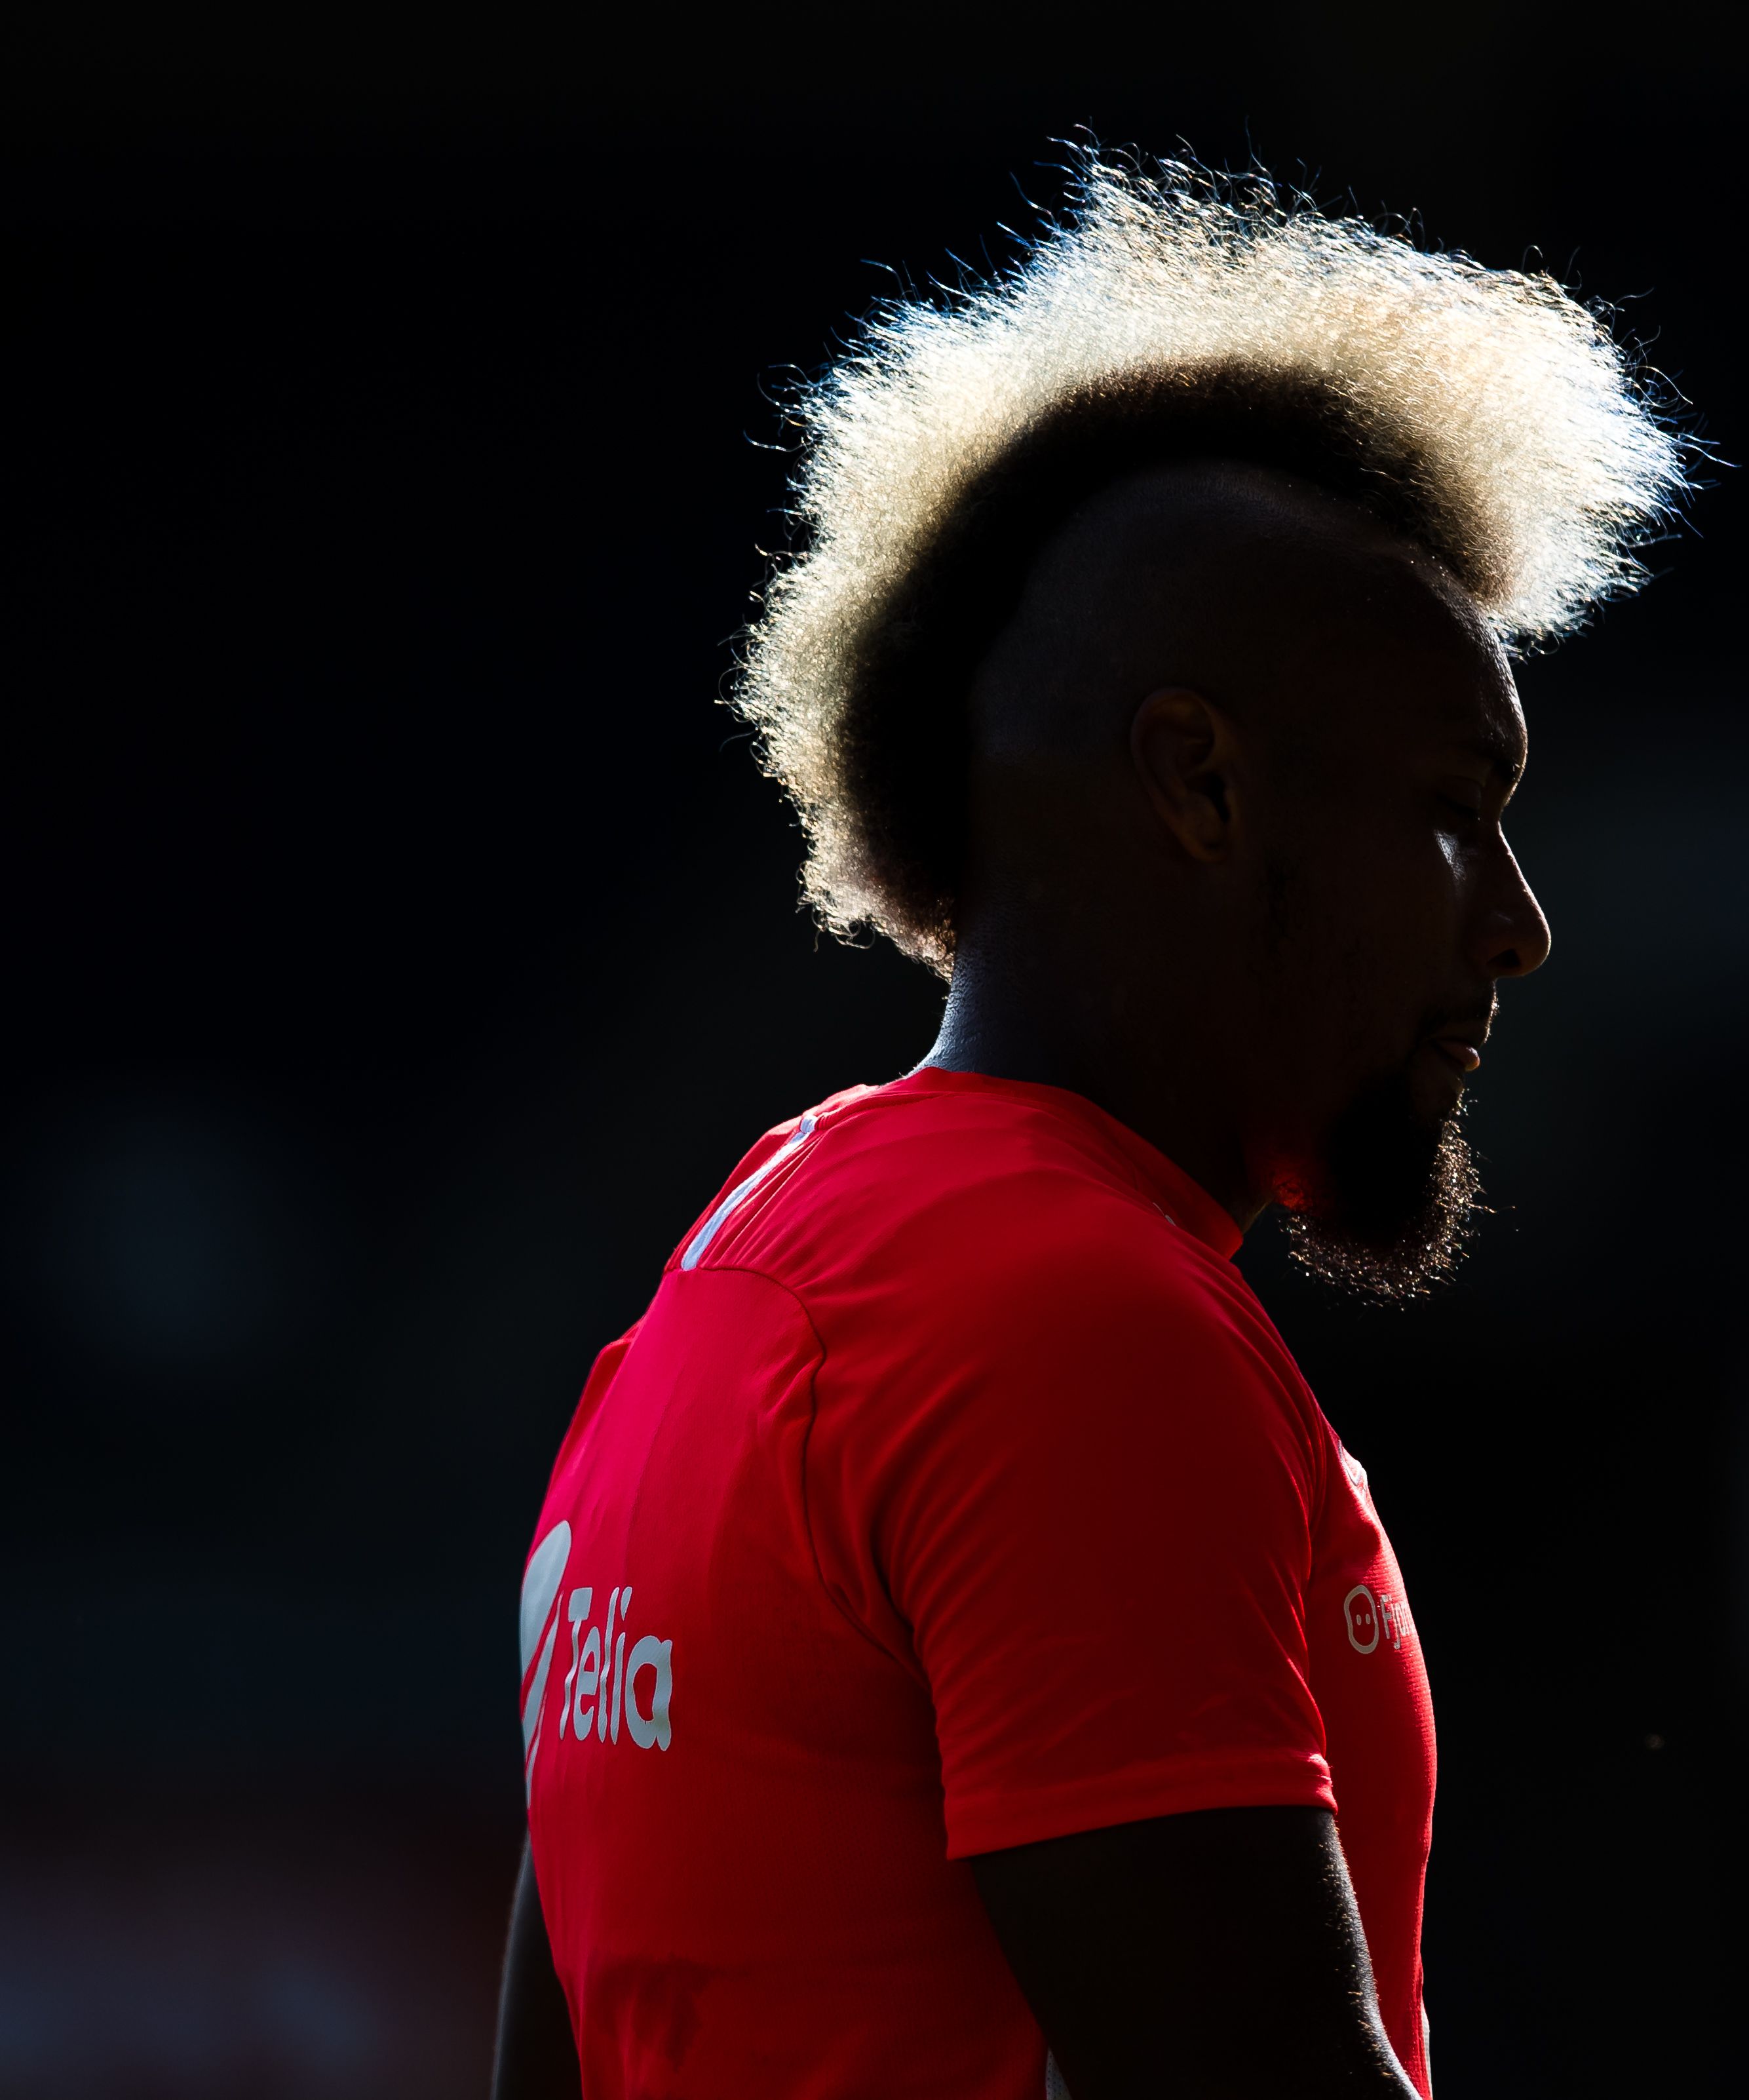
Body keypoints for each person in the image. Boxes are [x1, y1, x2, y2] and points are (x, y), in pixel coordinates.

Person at [491, 158, 1687, 2100]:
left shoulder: (738, 1265)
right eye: (1455, 809)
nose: (1518, 923)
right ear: (1197, 784)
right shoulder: (1070, 1325)